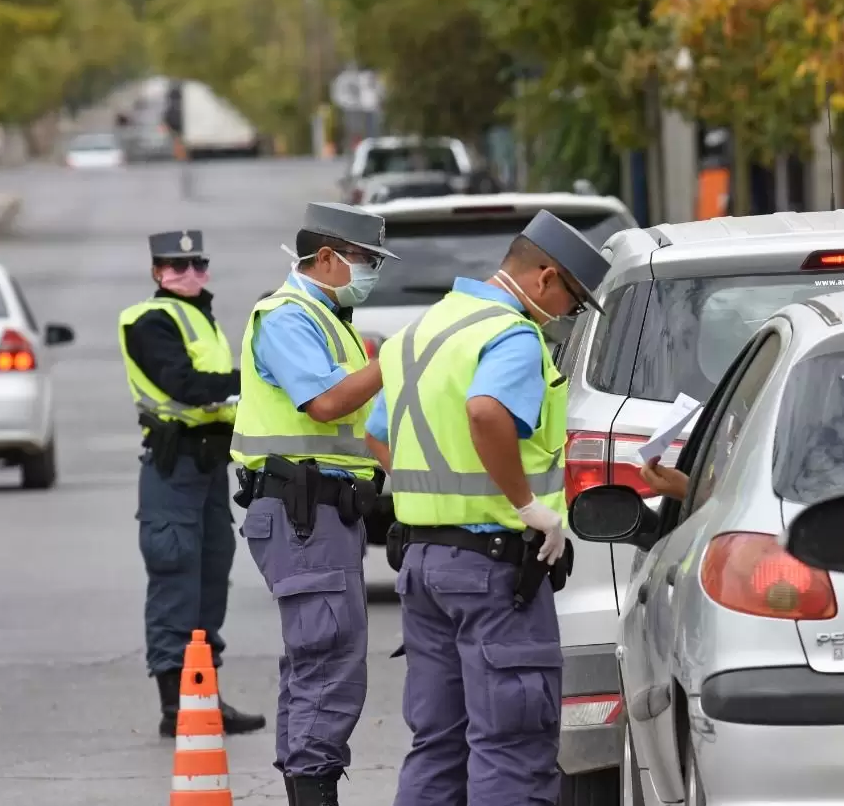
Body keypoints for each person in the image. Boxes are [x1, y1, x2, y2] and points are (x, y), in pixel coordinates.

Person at [370, 209, 611, 806]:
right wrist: (526, 505)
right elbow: (485, 411)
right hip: (493, 570)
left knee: (438, 746)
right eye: (571, 300)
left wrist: (433, 495)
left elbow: (376, 431)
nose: (567, 314)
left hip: (423, 563)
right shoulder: (511, 335)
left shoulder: (421, 331)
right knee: (512, 747)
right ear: (545, 277)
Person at [230, 203, 398, 806]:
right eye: (365, 260)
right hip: (304, 511)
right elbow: (325, 403)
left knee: (318, 657)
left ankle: (307, 783)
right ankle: (313, 788)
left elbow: (359, 424)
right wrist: (390, 363)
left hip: (326, 513)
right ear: (325, 257)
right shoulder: (287, 317)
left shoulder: (332, 320)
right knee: (328, 658)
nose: (372, 272)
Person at [117, 230, 266, 739]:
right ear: (156, 272)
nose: (187, 274)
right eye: (175, 266)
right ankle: (174, 704)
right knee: (175, 574)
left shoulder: (203, 318)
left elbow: (214, 391)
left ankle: (204, 696)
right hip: (173, 464)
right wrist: (253, 383)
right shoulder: (148, 320)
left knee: (210, 576)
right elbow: (185, 385)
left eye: (196, 264)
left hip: (208, 467)